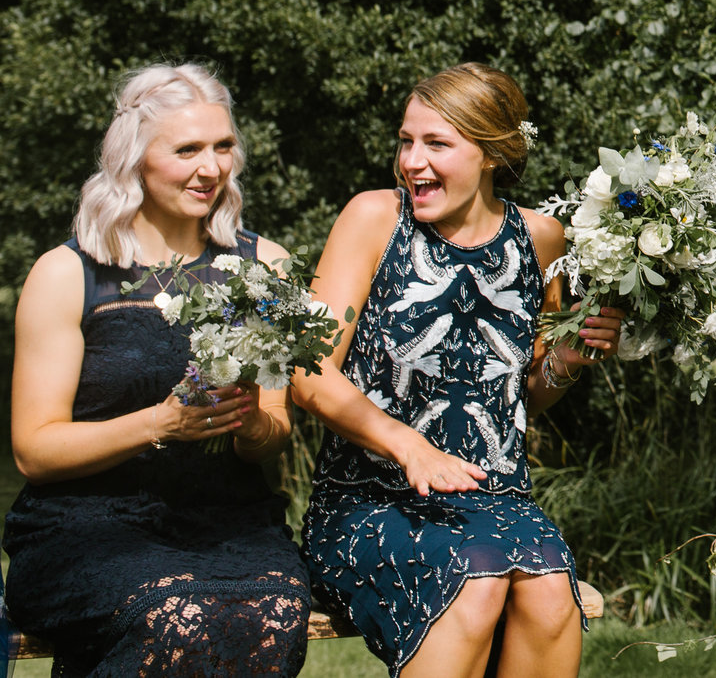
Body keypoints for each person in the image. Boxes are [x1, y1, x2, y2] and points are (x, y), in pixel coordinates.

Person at [292, 64, 623, 678]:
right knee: (474, 581)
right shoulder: (373, 220)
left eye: (436, 144)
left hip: (498, 503)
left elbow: (523, 396)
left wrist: (568, 363)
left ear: (492, 153)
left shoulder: (542, 240)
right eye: (406, 141)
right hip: (370, 501)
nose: (412, 161)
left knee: (553, 591)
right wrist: (409, 447)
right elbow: (308, 372)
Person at [5, 63, 313, 678]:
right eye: (188, 149)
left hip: (229, 521)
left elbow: (276, 432)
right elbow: (34, 451)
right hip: (87, 526)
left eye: (223, 146)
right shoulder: (70, 275)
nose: (212, 168)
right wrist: (160, 423)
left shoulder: (265, 268)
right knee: (175, 611)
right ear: (134, 159)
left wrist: (251, 426)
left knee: (274, 612)